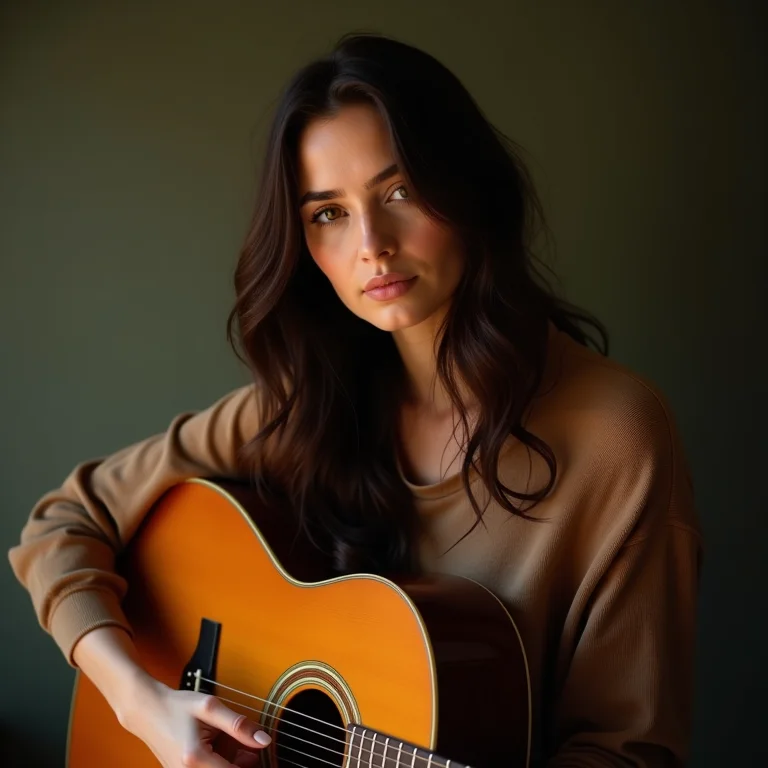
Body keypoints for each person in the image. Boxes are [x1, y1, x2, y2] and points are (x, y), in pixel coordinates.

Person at [8, 31, 702, 768]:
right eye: (328, 214)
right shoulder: (308, 403)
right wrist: (142, 703)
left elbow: (628, 751)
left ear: (469, 189)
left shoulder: (618, 434)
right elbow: (61, 523)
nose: (372, 244)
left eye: (399, 191)